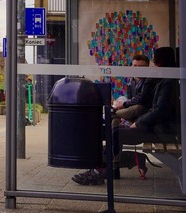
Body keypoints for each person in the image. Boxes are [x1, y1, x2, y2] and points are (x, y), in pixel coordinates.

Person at [73, 46, 179, 186]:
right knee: (116, 131)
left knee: (117, 134)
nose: (153, 65)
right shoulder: (166, 79)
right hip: (160, 126)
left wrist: (139, 122)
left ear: (160, 62)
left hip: (162, 129)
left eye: (154, 61)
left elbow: (160, 110)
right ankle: (101, 168)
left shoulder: (167, 82)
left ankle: (100, 171)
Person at [111, 53, 155, 128]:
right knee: (115, 120)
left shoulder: (150, 80)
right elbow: (130, 99)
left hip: (146, 111)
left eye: (140, 67)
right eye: (135, 66)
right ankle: (115, 133)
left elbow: (141, 99)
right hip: (133, 111)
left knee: (137, 108)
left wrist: (124, 104)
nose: (136, 69)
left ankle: (111, 114)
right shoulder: (131, 81)